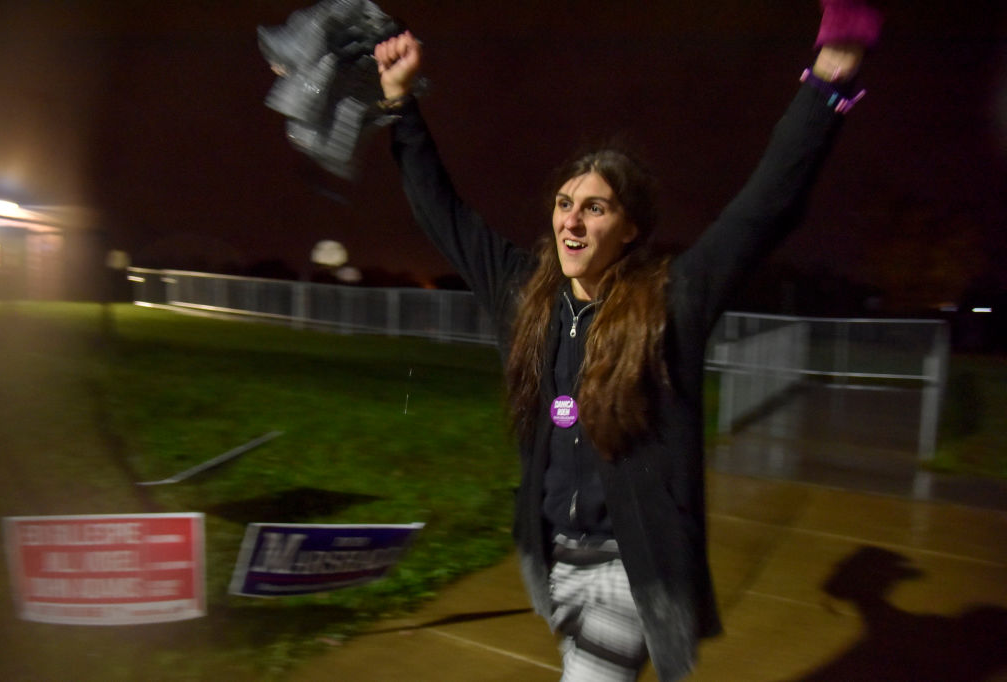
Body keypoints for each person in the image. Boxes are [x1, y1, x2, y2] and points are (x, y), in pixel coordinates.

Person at [373, 3, 881, 680]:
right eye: (563, 203)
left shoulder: (671, 301)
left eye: (595, 206)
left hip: (632, 569)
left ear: (631, 228)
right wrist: (400, 103)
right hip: (554, 558)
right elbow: (445, 214)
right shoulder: (528, 295)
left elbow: (764, 208)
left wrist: (829, 78)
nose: (571, 219)